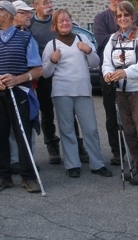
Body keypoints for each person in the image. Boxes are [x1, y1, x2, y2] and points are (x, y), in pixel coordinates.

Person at [0, 0, 43, 193]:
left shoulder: (25, 38)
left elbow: (38, 69)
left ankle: (28, 177)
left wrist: (17, 79)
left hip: (19, 92)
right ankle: (3, 177)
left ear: (7, 14)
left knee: (23, 134)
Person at [41, 9, 113, 178]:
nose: (65, 23)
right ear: (55, 25)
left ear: (71, 22)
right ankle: (72, 164)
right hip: (61, 92)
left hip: (82, 91)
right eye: (61, 21)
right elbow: (45, 73)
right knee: (67, 130)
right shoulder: (51, 46)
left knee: (91, 129)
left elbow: (96, 64)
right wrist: (52, 60)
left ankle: (98, 164)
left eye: (67, 20)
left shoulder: (82, 39)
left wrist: (88, 51)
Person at [29, 0, 88, 165]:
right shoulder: (31, 25)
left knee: (71, 112)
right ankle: (52, 145)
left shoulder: (57, 22)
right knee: (47, 113)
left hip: (64, 75)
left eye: (50, 1)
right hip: (44, 76)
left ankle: (78, 146)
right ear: (36, 6)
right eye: (45, 2)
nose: (49, 5)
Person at [92, 0, 138, 166]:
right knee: (111, 115)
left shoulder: (136, 16)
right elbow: (101, 40)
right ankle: (117, 152)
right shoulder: (101, 18)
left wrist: (123, 33)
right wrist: (122, 33)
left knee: (135, 117)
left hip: (133, 75)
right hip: (109, 74)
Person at [102, 1, 138, 185]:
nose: (122, 19)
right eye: (119, 16)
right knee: (129, 130)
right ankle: (136, 165)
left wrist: (127, 72)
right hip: (121, 91)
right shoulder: (113, 39)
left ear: (133, 17)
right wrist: (108, 74)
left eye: (126, 15)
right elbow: (107, 62)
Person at [9, 0, 37, 174]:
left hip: (26, 87)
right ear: (13, 15)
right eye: (24, 13)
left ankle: (28, 160)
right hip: (7, 88)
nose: (29, 16)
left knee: (28, 124)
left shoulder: (28, 35)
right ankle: (13, 160)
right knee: (11, 128)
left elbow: (36, 66)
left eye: (29, 12)